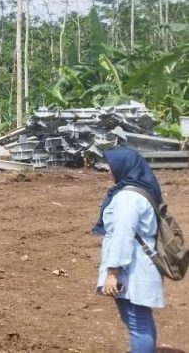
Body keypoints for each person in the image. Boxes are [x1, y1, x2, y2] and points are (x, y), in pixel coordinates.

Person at [93, 147, 164, 353]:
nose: (108, 169)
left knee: (137, 322)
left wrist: (112, 272)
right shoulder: (142, 190)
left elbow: (122, 236)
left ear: (125, 166)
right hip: (142, 261)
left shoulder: (127, 198)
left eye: (111, 165)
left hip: (133, 266)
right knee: (138, 319)